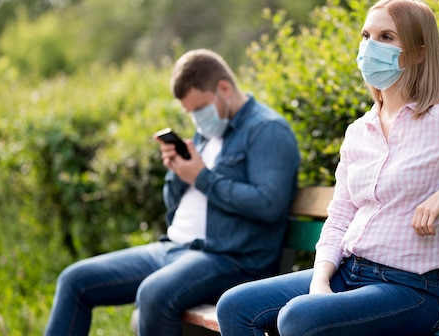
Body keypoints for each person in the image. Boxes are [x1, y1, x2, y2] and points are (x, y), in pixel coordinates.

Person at [215, 0, 439, 336]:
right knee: (235, 307)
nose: (370, 46)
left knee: (298, 318)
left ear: (418, 52)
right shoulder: (358, 131)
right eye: (366, 36)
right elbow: (340, 214)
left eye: (386, 37)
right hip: (346, 272)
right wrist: (321, 280)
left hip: (409, 289)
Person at [44, 49, 300, 336]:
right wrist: (177, 174)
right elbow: (173, 205)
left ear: (224, 89)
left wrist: (202, 177)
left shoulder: (267, 130)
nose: (196, 119)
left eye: (199, 109)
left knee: (154, 294)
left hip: (228, 258)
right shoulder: (207, 133)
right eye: (189, 113)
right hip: (173, 247)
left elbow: (269, 205)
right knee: (74, 280)